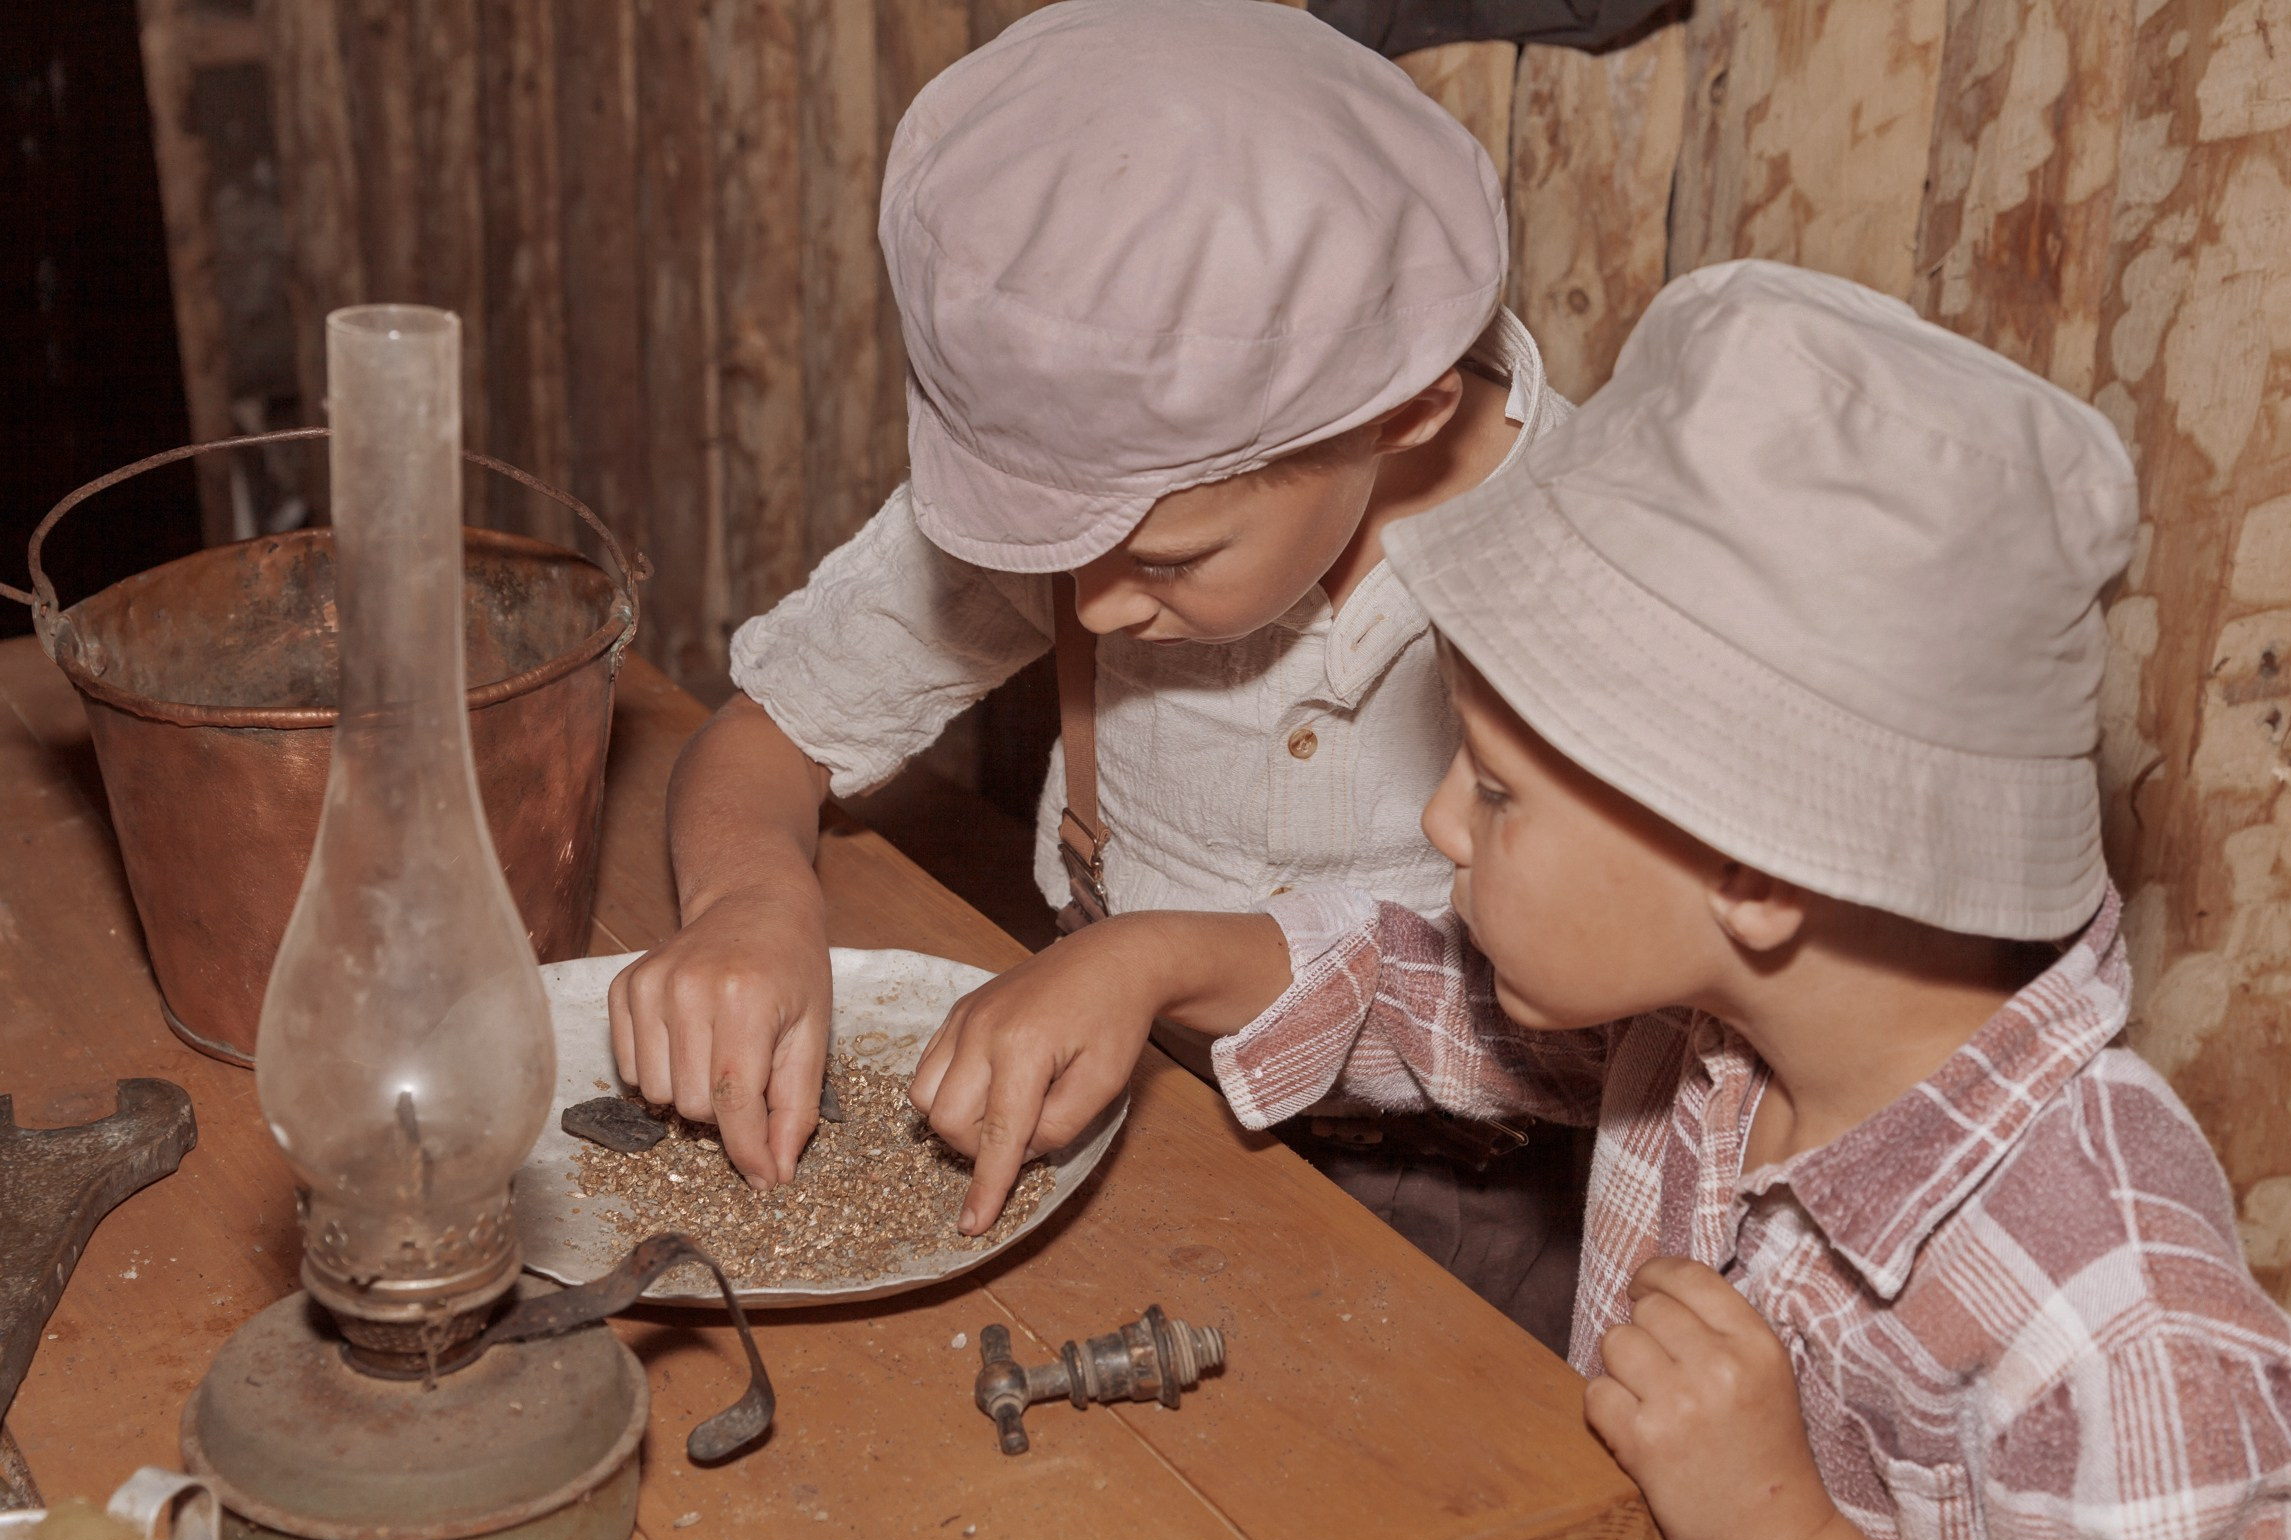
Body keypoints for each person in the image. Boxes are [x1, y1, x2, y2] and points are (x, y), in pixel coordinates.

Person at [912, 260, 2291, 1540]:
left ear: (1756, 871)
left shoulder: (2124, 1320)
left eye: (1493, 792)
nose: (1440, 827)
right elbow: (1429, 1003)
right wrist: (1151, 952)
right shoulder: (1716, 1026)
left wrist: (1780, 1538)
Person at [608, 0, 1592, 1349]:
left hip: (1471, 1201)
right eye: (1047, 547)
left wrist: (1160, 960)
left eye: (1173, 562)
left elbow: (1600, 1043)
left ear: (1406, 412)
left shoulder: (1602, 575)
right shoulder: (1100, 502)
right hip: (1132, 1104)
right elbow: (775, 731)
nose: (1091, 603)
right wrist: (744, 899)